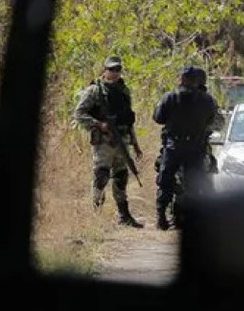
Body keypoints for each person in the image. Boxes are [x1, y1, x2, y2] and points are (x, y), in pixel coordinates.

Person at [73, 55, 145, 228]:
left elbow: (129, 121)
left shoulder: (124, 91)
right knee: (101, 176)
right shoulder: (95, 90)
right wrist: (98, 124)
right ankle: (96, 214)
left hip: (123, 139)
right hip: (104, 141)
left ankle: (124, 215)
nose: (115, 73)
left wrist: (135, 145)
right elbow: (79, 114)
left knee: (121, 177)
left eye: (118, 69)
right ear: (104, 70)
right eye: (111, 69)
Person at [153, 66, 222, 231]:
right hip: (195, 146)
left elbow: (158, 118)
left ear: (181, 79)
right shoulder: (207, 100)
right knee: (193, 182)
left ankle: (161, 216)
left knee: (165, 181)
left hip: (173, 146)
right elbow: (215, 121)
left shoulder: (170, 97)